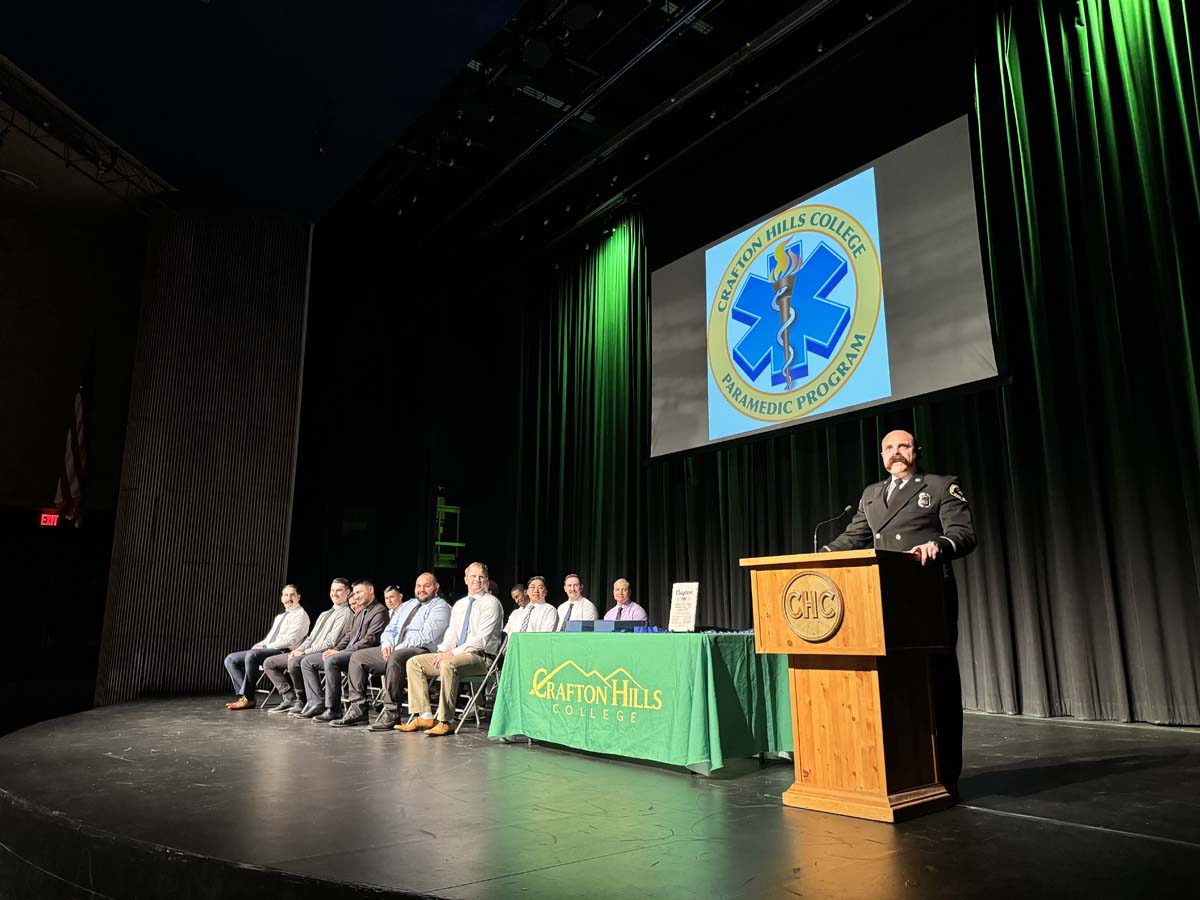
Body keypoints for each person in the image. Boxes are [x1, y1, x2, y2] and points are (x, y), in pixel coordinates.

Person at [821, 428, 976, 799]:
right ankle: (904, 772)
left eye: (902, 446)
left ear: (916, 451)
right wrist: (823, 555)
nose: (896, 453)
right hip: (881, 602)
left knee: (936, 685)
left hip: (925, 599)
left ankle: (946, 777)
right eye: (888, 447)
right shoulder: (872, 494)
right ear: (881, 455)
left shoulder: (940, 486)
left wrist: (939, 544)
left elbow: (964, 533)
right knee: (893, 687)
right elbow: (853, 537)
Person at [332, 573, 451, 730]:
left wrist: (396, 647)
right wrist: (387, 643)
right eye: (418, 586)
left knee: (396, 656)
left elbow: (426, 636)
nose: (421, 589)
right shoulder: (408, 605)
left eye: (426, 586)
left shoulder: (441, 607)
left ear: (436, 587)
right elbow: (390, 629)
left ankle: (392, 714)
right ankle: (358, 710)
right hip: (393, 649)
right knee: (357, 657)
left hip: (421, 650)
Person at [397, 561, 503, 736]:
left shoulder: (491, 603)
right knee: (415, 662)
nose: (477, 579)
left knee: (449, 664)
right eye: (473, 576)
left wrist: (450, 653)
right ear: (465, 579)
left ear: (486, 580)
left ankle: (446, 720)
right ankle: (424, 715)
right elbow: (452, 633)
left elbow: (481, 640)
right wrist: (441, 652)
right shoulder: (460, 604)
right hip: (457, 654)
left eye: (481, 576)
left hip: (481, 658)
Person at [297, 580, 387, 722]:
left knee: (332, 660)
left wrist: (340, 653)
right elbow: (349, 636)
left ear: (371, 590)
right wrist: (335, 649)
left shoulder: (379, 611)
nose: (356, 596)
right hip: (347, 652)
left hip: (363, 654)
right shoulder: (360, 611)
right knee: (308, 661)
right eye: (355, 593)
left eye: (359, 592)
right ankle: (317, 703)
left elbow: (369, 640)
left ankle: (334, 709)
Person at [263, 578, 353, 714]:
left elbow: (330, 642)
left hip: (324, 653)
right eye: (332, 590)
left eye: (338, 590)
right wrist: (299, 650)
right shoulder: (325, 614)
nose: (334, 593)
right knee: (269, 662)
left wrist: (304, 653)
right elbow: (311, 638)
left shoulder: (346, 613)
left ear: (347, 593)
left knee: (295, 662)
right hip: (307, 651)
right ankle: (290, 698)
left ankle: (305, 700)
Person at [223, 584, 310, 710]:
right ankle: (247, 696)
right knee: (230, 659)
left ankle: (248, 698)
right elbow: (270, 638)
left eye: (292, 595)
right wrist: (260, 644)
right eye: (286, 595)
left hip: (284, 651)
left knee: (252, 656)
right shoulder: (280, 617)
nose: (288, 598)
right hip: (270, 648)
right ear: (281, 598)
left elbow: (289, 641)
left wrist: (265, 646)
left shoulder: (300, 615)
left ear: (298, 597)